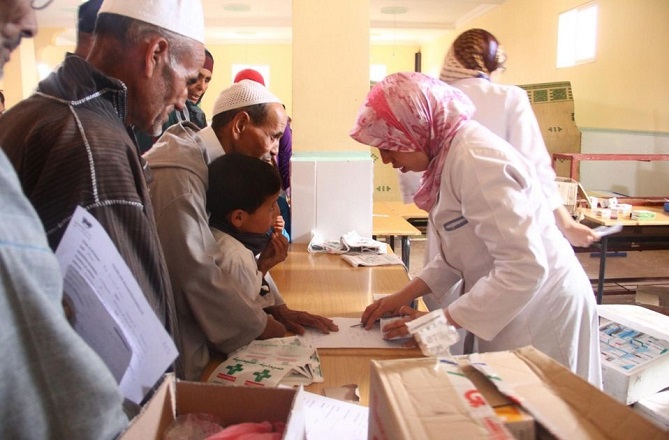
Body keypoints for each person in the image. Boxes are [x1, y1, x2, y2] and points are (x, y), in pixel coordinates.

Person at [351, 72, 601, 387]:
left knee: (548, 404)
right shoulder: (448, 157)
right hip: (513, 299)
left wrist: (442, 321)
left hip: (542, 308)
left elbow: (524, 267)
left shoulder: (477, 161)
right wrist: (401, 296)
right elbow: (460, 255)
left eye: (390, 145)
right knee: (512, 399)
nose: (386, 159)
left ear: (418, 127)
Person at [0, 0, 207, 377]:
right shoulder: (94, 143)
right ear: (155, 54)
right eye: (189, 79)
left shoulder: (37, 111)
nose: (182, 102)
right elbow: (127, 348)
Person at [144, 79, 338, 381]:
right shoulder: (179, 173)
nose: (275, 151)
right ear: (240, 125)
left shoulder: (210, 160)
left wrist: (276, 306)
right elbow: (194, 272)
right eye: (272, 137)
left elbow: (234, 249)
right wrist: (258, 324)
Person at [0, 0, 127, 438]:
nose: (30, 24)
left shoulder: (30, 114)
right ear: (154, 56)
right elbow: (52, 386)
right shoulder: (89, 136)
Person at [207, 153, 290, 340]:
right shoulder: (236, 257)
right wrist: (263, 267)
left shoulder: (217, 237)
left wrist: (262, 265)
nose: (277, 212)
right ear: (238, 217)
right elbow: (250, 322)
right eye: (271, 206)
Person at [233, 68, 293, 237]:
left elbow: (285, 156)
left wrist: (285, 188)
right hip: (242, 188)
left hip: (270, 184)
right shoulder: (234, 122)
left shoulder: (275, 118)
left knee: (276, 226)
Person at [136, 48, 214, 153]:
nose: (202, 86)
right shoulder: (158, 112)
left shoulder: (197, 116)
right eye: (196, 77)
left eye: (207, 80)